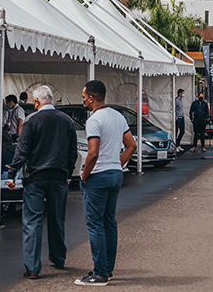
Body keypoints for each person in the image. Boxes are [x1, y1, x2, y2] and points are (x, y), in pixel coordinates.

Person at [6, 85, 78, 279]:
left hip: (35, 179)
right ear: (52, 100)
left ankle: (33, 268)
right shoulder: (66, 121)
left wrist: (12, 174)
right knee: (57, 218)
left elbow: (22, 151)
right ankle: (58, 257)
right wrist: (68, 174)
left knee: (32, 221)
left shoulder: (31, 121)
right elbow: (73, 152)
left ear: (36, 102)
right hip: (59, 178)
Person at [76, 80, 137, 287]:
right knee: (109, 222)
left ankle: (99, 273)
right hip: (114, 174)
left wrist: (84, 175)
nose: (83, 100)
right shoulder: (117, 116)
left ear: (91, 98)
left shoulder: (94, 120)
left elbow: (92, 153)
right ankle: (107, 268)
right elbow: (132, 145)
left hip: (98, 176)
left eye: (84, 97)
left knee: (95, 224)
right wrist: (117, 163)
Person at [174, 88, 186, 153]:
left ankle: (178, 144)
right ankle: (176, 146)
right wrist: (176, 118)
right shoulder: (176, 100)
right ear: (180, 93)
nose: (184, 94)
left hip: (182, 117)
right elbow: (174, 109)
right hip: (178, 118)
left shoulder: (181, 100)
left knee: (182, 131)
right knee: (176, 132)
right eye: (183, 93)